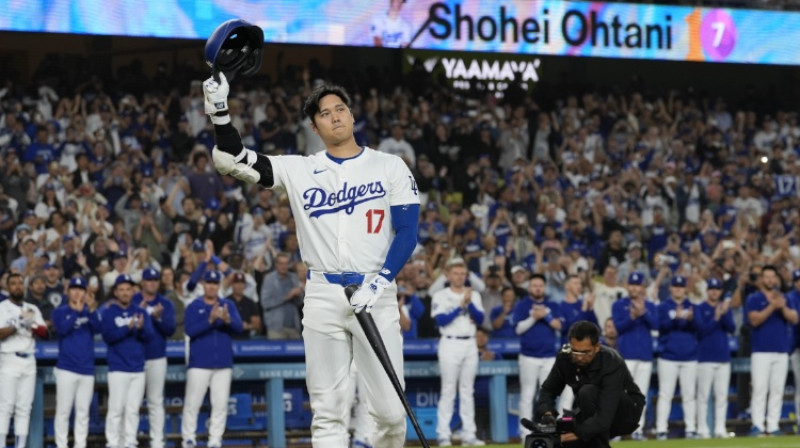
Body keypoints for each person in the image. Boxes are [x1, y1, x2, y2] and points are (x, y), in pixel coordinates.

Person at [205, 75, 420, 447]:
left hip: (376, 291)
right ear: (314, 125)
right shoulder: (299, 168)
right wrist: (220, 113)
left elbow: (408, 232)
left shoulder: (390, 166)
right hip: (323, 293)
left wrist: (380, 282)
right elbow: (232, 159)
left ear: (352, 116)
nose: (335, 117)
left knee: (389, 412)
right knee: (327, 411)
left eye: (340, 109)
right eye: (325, 113)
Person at [535, 321, 645, 448]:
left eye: (585, 352)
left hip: (625, 413)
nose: (580, 357)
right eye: (575, 351)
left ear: (597, 347)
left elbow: (604, 418)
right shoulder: (565, 357)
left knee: (587, 392)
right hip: (590, 410)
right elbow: (548, 390)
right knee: (564, 439)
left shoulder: (611, 361)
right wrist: (548, 415)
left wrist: (561, 438)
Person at [182, 270, 243, 448]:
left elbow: (239, 328)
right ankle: (189, 438)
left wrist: (227, 320)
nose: (211, 286)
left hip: (223, 363)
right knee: (193, 403)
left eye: (215, 283)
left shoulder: (228, 304)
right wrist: (209, 320)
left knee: (220, 404)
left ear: (218, 285)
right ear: (203, 284)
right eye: (208, 283)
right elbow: (189, 331)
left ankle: (215, 440)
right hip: (199, 363)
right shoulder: (194, 306)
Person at [431, 258, 485, 446]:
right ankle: (443, 434)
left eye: (463, 274)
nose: (460, 277)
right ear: (448, 275)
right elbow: (441, 321)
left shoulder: (473, 295)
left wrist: (468, 303)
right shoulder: (440, 295)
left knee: (467, 390)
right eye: (456, 273)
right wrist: (461, 305)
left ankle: (469, 434)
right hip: (449, 343)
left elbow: (480, 318)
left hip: (470, 343)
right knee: (448, 390)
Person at [101, 274, 154, 448]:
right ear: (116, 292)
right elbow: (108, 337)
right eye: (121, 289)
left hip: (138, 368)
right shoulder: (109, 312)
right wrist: (128, 328)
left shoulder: (141, 311)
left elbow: (149, 336)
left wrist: (138, 329)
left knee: (132, 409)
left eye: (128, 289)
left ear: (133, 292)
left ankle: (130, 441)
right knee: (116, 409)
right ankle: (113, 442)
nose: (125, 293)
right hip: (118, 367)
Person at [745, 265, 798, 436]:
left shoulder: (783, 298)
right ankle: (757, 424)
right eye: (766, 277)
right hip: (761, 350)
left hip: (781, 350)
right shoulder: (754, 298)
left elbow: (795, 318)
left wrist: (781, 306)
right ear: (761, 279)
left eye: (772, 277)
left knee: (777, 389)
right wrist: (772, 307)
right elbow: (754, 320)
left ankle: (773, 424)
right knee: (760, 388)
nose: (769, 280)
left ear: (776, 279)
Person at [51, 277, 100, 448]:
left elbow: (98, 329)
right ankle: (61, 445)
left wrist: (91, 310)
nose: (77, 292)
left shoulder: (90, 311)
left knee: (83, 412)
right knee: (63, 411)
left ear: (86, 292)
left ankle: (80, 444)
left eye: (81, 289)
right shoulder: (60, 311)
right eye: (74, 289)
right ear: (68, 291)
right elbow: (62, 329)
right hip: (66, 368)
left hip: (86, 369)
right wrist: (76, 313)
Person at [0, 273, 47, 448]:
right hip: (9, 359)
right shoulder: (2, 308)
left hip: (29, 360)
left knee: (24, 408)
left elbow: (45, 333)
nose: (18, 286)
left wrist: (32, 324)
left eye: (20, 283)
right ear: (8, 287)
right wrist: (17, 325)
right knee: (5, 407)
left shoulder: (31, 308)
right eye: (14, 284)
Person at [513, 273, 563, 438]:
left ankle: (548, 431)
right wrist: (533, 317)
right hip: (528, 356)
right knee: (527, 395)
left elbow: (558, 326)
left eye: (540, 285)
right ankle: (524, 433)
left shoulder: (552, 304)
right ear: (529, 287)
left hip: (548, 357)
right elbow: (518, 329)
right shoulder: (522, 305)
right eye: (534, 285)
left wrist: (546, 315)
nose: (538, 288)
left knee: (547, 398)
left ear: (544, 287)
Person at [132, 267, 176, 448]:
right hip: (134, 357)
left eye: (155, 280)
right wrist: (138, 315)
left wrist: (157, 318)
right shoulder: (133, 301)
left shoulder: (165, 303)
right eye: (148, 280)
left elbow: (170, 329)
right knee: (131, 403)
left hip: (156, 357)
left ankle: (157, 442)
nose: (151, 283)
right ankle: (129, 441)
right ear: (142, 282)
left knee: (155, 401)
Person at [611, 271, 657, 440]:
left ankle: (637, 430)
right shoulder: (619, 305)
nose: (634, 288)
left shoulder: (650, 306)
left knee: (640, 395)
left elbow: (656, 324)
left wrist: (643, 312)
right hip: (626, 356)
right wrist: (632, 316)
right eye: (632, 284)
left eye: (638, 285)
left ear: (642, 287)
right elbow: (618, 327)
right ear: (627, 286)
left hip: (645, 356)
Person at [655, 275, 699, 440]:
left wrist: (691, 319)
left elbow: (700, 327)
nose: (679, 289)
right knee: (665, 394)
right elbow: (659, 326)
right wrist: (676, 318)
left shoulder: (692, 307)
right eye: (676, 287)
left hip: (689, 356)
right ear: (671, 288)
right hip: (668, 356)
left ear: (685, 289)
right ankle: (661, 429)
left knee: (689, 395)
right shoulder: (663, 307)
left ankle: (691, 428)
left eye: (681, 287)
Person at [694, 278, 735, 439]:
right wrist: (716, 317)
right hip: (705, 358)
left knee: (721, 396)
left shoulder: (725, 308)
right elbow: (701, 330)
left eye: (717, 289)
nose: (714, 292)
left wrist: (724, 314)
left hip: (723, 358)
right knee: (703, 396)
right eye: (712, 289)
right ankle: (702, 429)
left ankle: (720, 428)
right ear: (707, 291)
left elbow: (731, 328)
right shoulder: (700, 308)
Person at [259, 252, 303, 339]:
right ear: (276, 264)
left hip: (294, 327)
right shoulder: (269, 279)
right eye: (281, 263)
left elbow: (299, 303)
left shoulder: (294, 277)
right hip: (276, 328)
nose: (284, 266)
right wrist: (287, 296)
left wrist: (299, 294)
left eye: (286, 263)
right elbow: (265, 303)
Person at [226, 272, 262, 339]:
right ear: (232, 285)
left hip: (245, 339)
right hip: (228, 337)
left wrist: (247, 326)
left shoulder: (250, 303)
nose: (239, 286)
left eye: (242, 283)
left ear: (245, 285)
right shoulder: (225, 302)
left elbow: (257, 325)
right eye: (237, 283)